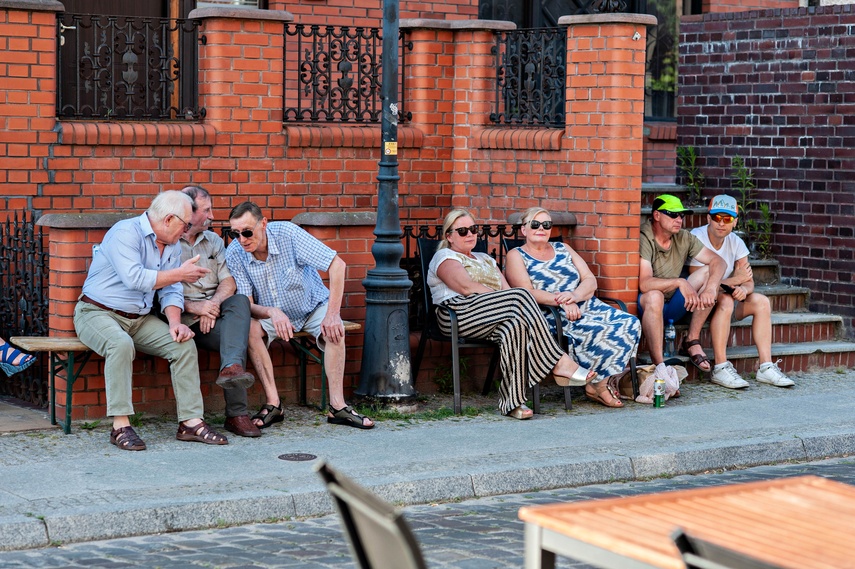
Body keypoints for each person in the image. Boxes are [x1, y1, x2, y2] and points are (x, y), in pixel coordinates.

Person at [73, 191, 229, 451]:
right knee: (120, 344)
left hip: (140, 319)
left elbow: (170, 290)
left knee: (182, 346)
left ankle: (191, 422)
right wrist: (179, 273)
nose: (187, 231)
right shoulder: (125, 233)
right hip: (97, 313)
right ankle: (120, 426)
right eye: (186, 225)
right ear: (169, 219)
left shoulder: (172, 243)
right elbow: (135, 278)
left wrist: (175, 324)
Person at [427, 209, 596, 419]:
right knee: (520, 297)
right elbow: (466, 287)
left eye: (473, 229)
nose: (469, 234)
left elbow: (508, 291)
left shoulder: (485, 258)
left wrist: (507, 300)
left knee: (514, 327)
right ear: (449, 236)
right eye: (462, 231)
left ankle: (512, 403)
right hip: (457, 312)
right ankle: (559, 362)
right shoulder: (445, 256)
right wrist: (507, 300)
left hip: (493, 313)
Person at [224, 201, 374, 429]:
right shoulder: (235, 253)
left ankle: (337, 407)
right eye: (235, 234)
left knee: (335, 330)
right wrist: (272, 312)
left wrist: (333, 314)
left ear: (263, 224)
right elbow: (247, 304)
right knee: (250, 329)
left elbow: (337, 265)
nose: (242, 240)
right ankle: (274, 404)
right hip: (272, 315)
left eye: (247, 232)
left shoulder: (288, 234)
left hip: (312, 306)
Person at [504, 207, 641, 408]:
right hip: (551, 313)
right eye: (535, 224)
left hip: (586, 305)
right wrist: (563, 302)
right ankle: (600, 387)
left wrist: (575, 296)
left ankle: (598, 382)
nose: (541, 228)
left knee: (630, 323)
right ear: (524, 230)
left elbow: (589, 279)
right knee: (598, 329)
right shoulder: (516, 255)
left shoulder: (563, 248)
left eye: (546, 225)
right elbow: (526, 291)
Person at [178, 185, 269, 438]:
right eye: (206, 210)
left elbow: (228, 281)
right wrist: (198, 308)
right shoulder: (169, 242)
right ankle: (237, 415)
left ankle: (231, 369)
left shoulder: (214, 240)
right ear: (189, 212)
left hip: (215, 312)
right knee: (236, 337)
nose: (211, 216)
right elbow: (161, 290)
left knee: (240, 300)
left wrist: (213, 306)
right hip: (186, 318)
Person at [688, 195, 794, 388]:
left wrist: (743, 289)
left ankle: (766, 367)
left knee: (761, 302)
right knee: (726, 300)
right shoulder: (697, 237)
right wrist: (735, 281)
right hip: (698, 304)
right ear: (708, 218)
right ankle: (720, 368)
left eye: (727, 219)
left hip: (723, 300)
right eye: (717, 217)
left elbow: (749, 281)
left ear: (735, 221)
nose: (721, 223)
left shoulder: (736, 242)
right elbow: (700, 283)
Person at [638, 194, 726, 375]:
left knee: (709, 271)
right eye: (673, 215)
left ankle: (692, 340)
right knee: (655, 296)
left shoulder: (683, 237)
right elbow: (645, 284)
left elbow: (719, 261)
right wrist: (679, 282)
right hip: (649, 306)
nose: (679, 219)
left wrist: (711, 288)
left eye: (682, 215)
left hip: (675, 305)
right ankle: (660, 366)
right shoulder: (644, 236)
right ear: (656, 215)